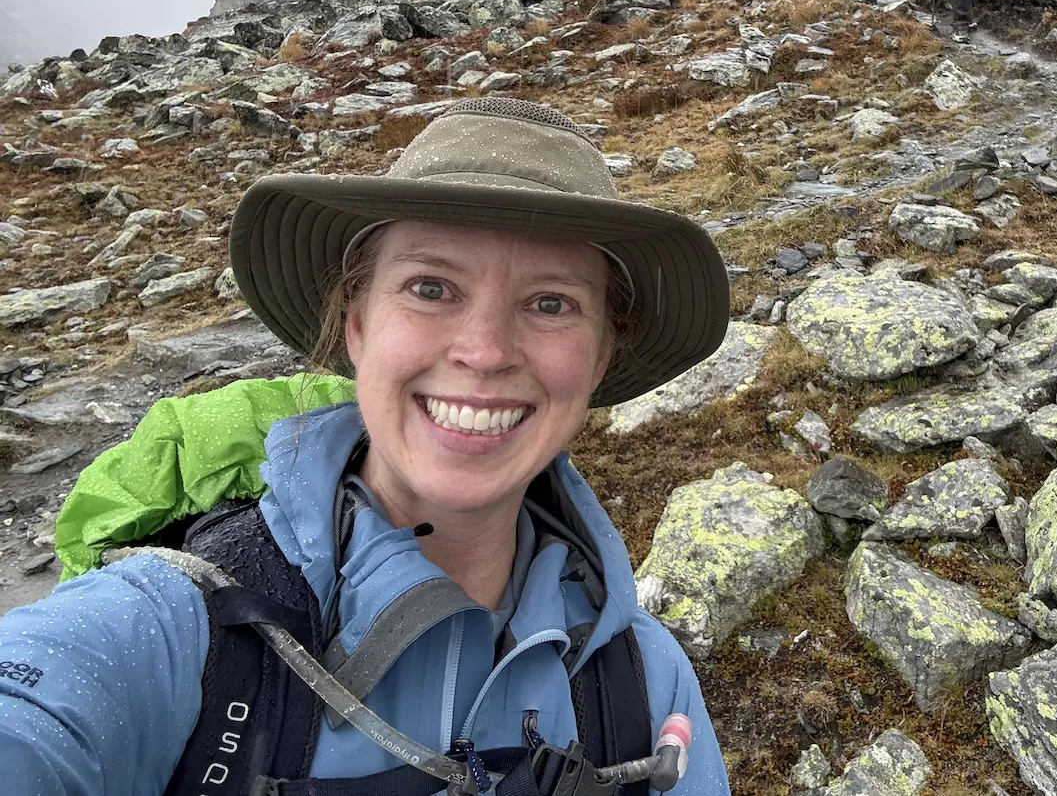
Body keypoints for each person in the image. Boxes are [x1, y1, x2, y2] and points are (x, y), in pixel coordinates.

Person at [0, 98, 734, 796]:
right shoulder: (168, 629)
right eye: (430, 286)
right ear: (356, 325)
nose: (482, 351)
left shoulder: (646, 682)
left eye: (551, 302)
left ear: (600, 357)